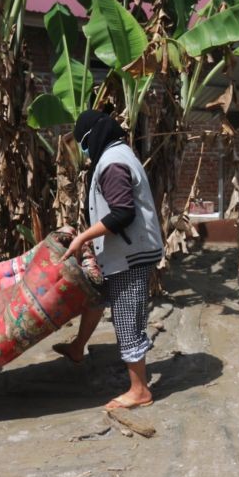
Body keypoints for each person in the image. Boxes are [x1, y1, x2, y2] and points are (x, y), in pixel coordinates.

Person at [53, 111, 164, 411]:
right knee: (95, 297)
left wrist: (81, 238)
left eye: (83, 144)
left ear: (94, 137)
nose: (83, 150)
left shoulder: (113, 163)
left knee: (127, 319)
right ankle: (77, 348)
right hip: (121, 251)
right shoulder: (116, 154)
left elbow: (122, 213)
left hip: (130, 255)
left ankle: (140, 390)